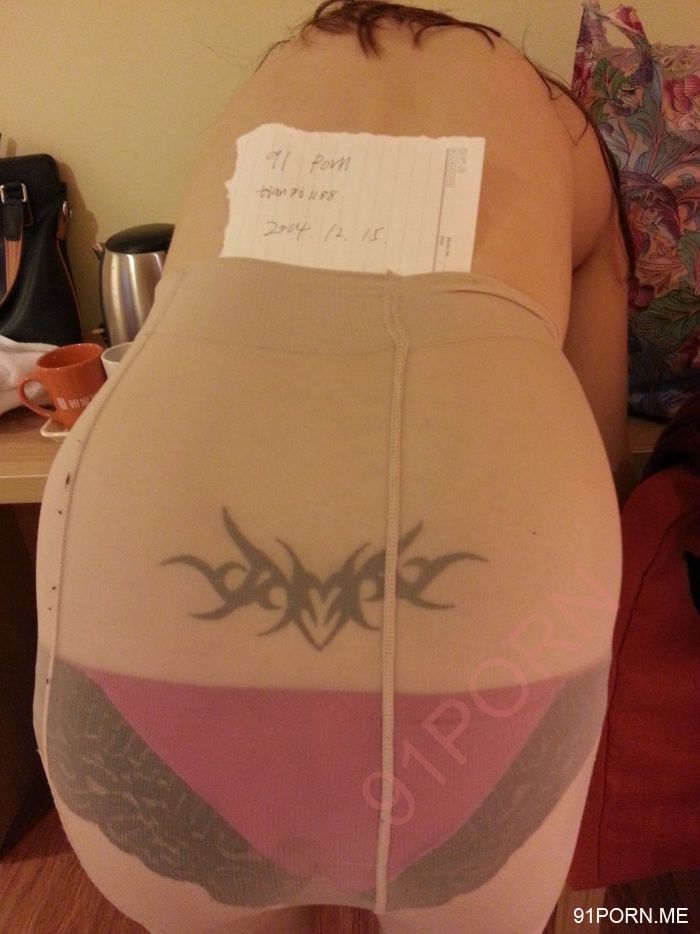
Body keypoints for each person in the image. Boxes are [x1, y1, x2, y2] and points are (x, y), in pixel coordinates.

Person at [34, 3, 634, 932]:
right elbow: (598, 431)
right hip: (495, 620)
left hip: (144, 574)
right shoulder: (561, 125)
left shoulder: (260, 97)